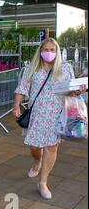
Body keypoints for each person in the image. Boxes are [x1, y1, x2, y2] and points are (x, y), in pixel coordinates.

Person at [13, 38, 86, 200]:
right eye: (46, 49)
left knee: (51, 147)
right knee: (34, 146)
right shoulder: (31, 68)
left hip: (57, 114)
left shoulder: (65, 68)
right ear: (40, 51)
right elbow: (22, 88)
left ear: (57, 52)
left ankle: (43, 182)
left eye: (52, 50)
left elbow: (71, 92)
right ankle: (37, 162)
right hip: (37, 115)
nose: (49, 53)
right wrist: (16, 105)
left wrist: (79, 91)